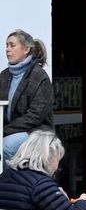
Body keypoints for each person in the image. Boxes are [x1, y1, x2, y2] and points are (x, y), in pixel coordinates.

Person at [3, 31, 54, 162]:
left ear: (26, 49)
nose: (7, 49)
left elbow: (35, 116)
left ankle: (10, 182)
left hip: (36, 132)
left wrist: (5, 130)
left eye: (12, 45)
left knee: (4, 147)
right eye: (6, 45)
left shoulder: (39, 77)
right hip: (10, 131)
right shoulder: (4, 76)